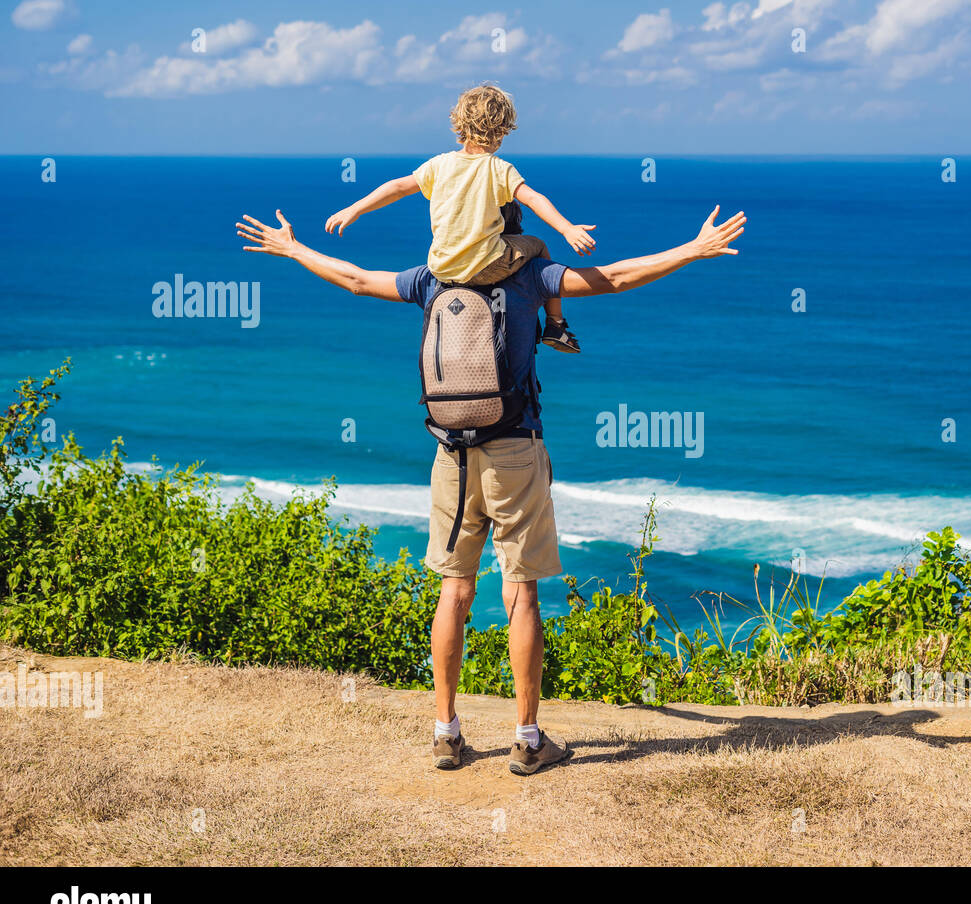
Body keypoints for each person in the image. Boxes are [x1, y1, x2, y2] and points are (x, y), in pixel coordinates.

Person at [236, 203, 745, 775]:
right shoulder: (529, 274)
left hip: (450, 453)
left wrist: (293, 248)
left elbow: (356, 280)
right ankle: (527, 741)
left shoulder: (433, 278)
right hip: (514, 449)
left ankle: (445, 733)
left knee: (454, 590)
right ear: (512, 229)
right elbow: (618, 277)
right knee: (520, 592)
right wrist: (692, 250)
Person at [324, 84, 589, 353]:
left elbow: (397, 187)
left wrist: (354, 208)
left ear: (459, 124)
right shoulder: (498, 168)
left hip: (442, 268)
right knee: (539, 244)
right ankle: (556, 324)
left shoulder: (439, 164)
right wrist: (567, 229)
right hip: (486, 267)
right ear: (502, 130)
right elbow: (533, 199)